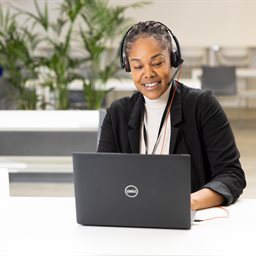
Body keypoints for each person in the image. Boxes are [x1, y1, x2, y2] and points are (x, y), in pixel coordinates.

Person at [97, 21, 246, 211]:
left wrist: (188, 202)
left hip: (188, 225)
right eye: (138, 66)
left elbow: (231, 174)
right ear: (128, 68)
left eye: (157, 63)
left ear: (173, 60)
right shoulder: (117, 113)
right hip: (133, 220)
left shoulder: (202, 105)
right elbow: (102, 177)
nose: (148, 74)